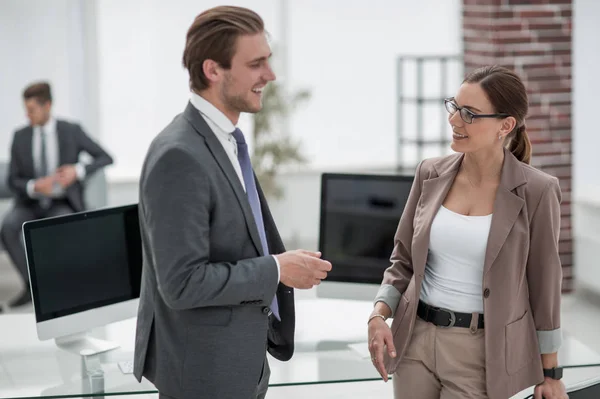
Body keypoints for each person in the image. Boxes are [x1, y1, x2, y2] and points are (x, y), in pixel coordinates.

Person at [132, 6, 332, 399]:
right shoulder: (179, 156)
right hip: (205, 377)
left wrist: (280, 261)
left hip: (241, 365)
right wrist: (276, 269)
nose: (270, 76)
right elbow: (181, 284)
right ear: (213, 70)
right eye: (256, 64)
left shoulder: (226, 140)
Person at [367, 65, 568, 399]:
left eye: (470, 114)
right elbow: (402, 259)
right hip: (414, 341)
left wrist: (551, 373)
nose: (455, 121)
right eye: (455, 107)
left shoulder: (538, 191)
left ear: (505, 126)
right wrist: (378, 314)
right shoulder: (429, 173)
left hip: (481, 353)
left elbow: (545, 285)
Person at [1, 82, 114, 308]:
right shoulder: (20, 136)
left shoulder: (71, 131)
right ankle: (31, 287)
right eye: (26, 109)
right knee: (8, 228)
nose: (28, 115)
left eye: (32, 109)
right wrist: (34, 186)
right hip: (29, 202)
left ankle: (62, 286)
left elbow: (105, 157)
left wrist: (77, 171)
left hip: (61, 201)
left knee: (64, 226)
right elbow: (13, 180)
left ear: (48, 105)